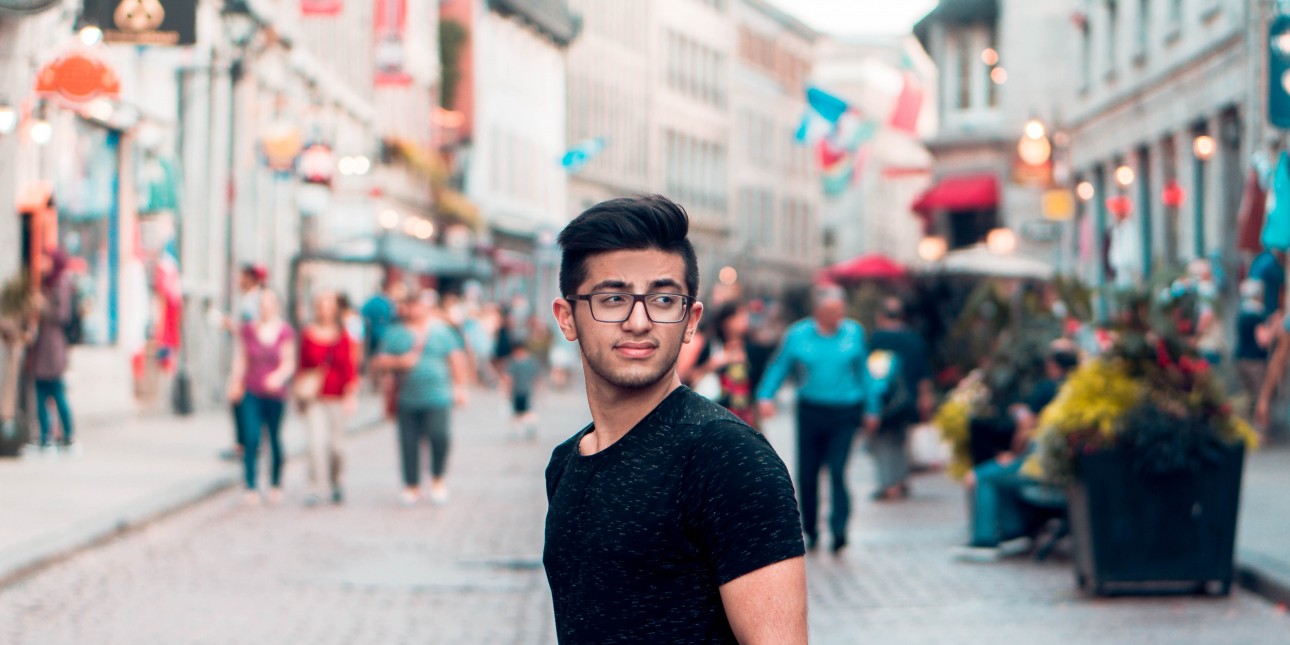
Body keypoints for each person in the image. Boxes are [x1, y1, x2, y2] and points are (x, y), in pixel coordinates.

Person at [545, 195, 807, 644]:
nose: (639, 321)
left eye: (664, 299)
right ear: (567, 317)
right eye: (613, 298)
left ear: (690, 320)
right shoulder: (567, 462)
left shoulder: (726, 458)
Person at [755, 285, 882, 554]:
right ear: (817, 312)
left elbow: (864, 373)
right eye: (831, 312)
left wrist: (873, 409)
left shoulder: (853, 332)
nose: (837, 316)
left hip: (846, 411)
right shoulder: (798, 335)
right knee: (808, 473)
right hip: (811, 410)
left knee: (837, 470)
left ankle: (839, 530)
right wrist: (766, 395)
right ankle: (811, 529)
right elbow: (780, 366)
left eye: (840, 311)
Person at [954, 343, 1077, 561]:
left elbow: (1025, 427)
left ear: (1052, 365)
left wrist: (1014, 453)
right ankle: (1013, 533)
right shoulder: (1077, 390)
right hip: (1068, 472)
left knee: (982, 477)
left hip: (1042, 469)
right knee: (1000, 477)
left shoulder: (1046, 390)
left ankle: (984, 540)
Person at [372, 290, 470, 506]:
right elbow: (378, 362)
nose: (415, 309)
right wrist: (399, 362)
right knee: (408, 442)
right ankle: (411, 484)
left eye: (419, 305)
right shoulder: (395, 333)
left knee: (439, 437)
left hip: (438, 395)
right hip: (407, 397)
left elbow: (456, 359)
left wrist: (460, 388)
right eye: (411, 305)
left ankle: (437, 478)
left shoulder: (442, 332)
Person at [227, 289, 295, 506]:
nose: (265, 307)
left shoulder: (284, 331)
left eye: (269, 303)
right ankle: (250, 485)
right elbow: (241, 358)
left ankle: (275, 482)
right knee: (251, 436)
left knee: (274, 437)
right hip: (252, 389)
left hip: (275, 393)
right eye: (262, 303)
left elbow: (288, 362)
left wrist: (278, 377)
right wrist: (235, 382)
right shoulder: (248, 330)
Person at [866, 297, 934, 501]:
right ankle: (900, 480)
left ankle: (888, 484)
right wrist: (925, 397)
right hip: (908, 399)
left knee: (881, 442)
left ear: (880, 315)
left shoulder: (875, 339)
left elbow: (867, 373)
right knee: (901, 439)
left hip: (882, 399)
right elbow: (924, 373)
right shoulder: (914, 338)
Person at [297, 291, 359, 506]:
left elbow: (350, 368)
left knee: (337, 446)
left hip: (337, 397)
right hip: (314, 397)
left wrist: (351, 395)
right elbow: (302, 366)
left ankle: (336, 481)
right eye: (321, 304)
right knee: (315, 443)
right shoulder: (308, 333)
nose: (325, 309)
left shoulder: (343, 335)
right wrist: (299, 397)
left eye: (328, 304)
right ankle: (314, 487)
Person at [29, 249, 76, 454]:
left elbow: (63, 315)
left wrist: (43, 306)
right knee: (40, 393)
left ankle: (68, 436)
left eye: (47, 259)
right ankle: (45, 437)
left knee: (57, 393)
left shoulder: (61, 284)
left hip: (54, 349)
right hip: (42, 348)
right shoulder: (47, 283)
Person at [222, 263, 267, 461]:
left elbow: (250, 332)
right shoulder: (253, 300)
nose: (238, 280)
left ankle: (245, 444)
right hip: (249, 358)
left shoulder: (253, 302)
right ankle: (247, 443)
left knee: (240, 400)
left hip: (248, 359)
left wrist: (232, 326)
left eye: (242, 276)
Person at [695, 301, 758, 426]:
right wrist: (712, 365)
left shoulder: (753, 349)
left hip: (746, 418)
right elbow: (690, 378)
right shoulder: (712, 347)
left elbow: (758, 384)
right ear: (726, 322)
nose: (745, 320)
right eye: (739, 316)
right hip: (716, 416)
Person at [1234, 279, 1270, 421]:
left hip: (1241, 358)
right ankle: (1260, 432)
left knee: (1246, 397)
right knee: (1260, 396)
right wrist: (1274, 328)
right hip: (1255, 361)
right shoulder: (1257, 313)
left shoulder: (1242, 312)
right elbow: (1263, 340)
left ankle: (1246, 428)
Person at [502, 344, 541, 439]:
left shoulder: (513, 362)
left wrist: (506, 392)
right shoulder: (531, 361)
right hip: (526, 391)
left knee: (518, 413)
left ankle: (517, 431)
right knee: (527, 411)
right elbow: (536, 377)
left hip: (518, 391)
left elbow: (508, 378)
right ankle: (529, 429)